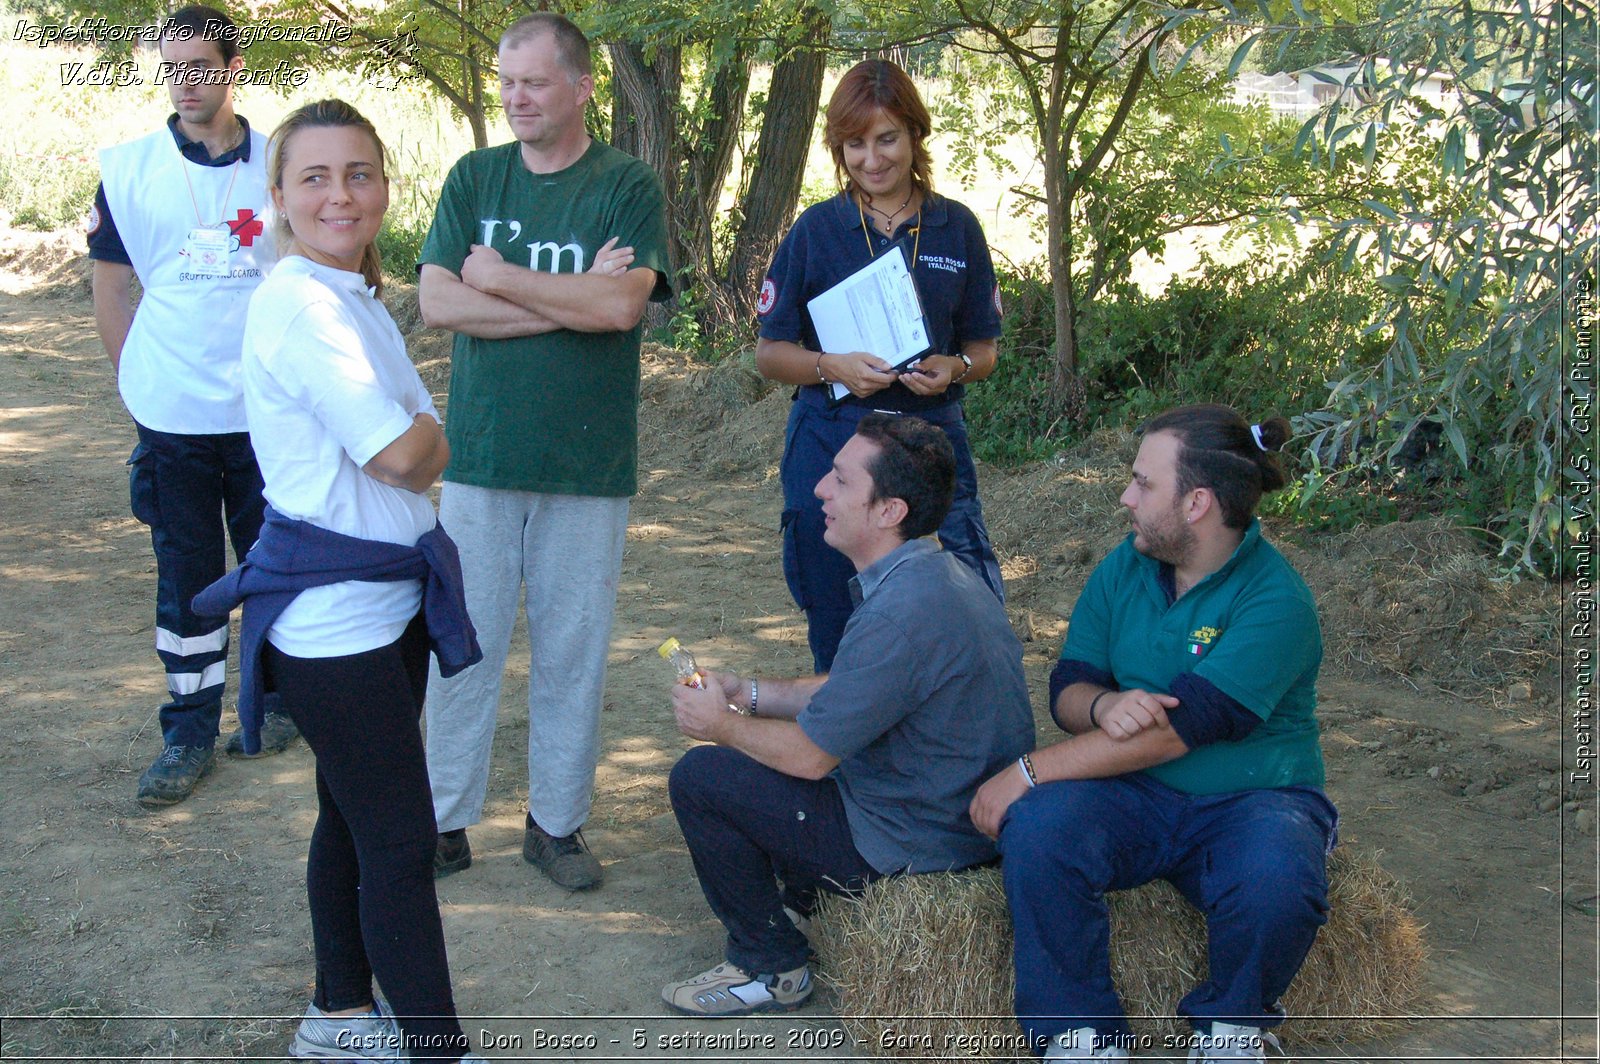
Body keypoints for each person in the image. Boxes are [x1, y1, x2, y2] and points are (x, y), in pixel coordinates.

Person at [193, 99, 484, 1064]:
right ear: (277, 196)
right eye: (313, 177)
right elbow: (409, 453)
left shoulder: (345, 295)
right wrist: (432, 436)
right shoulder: (303, 306)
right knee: (401, 843)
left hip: (384, 603)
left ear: (386, 187)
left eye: (358, 173)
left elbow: (412, 443)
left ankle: (339, 1017)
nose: (339, 194)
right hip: (335, 624)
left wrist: (426, 436)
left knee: (352, 816)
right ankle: (437, 1049)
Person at [968, 405, 1338, 1063]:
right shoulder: (1125, 567)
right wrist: (1105, 704)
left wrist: (1027, 771)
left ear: (1196, 503)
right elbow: (1069, 689)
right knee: (1041, 832)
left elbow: (1175, 734)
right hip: (1132, 792)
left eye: (1143, 483)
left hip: (1254, 801)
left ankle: (1231, 1029)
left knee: (1279, 872)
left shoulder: (1276, 602)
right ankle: (1079, 1033)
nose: (1125, 497)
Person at [661, 414, 1035, 1018]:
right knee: (768, 766)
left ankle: (770, 964)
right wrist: (749, 693)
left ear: (889, 511)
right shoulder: (940, 572)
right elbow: (856, 688)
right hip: (953, 817)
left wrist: (720, 725)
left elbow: (810, 757)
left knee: (704, 779)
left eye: (839, 480)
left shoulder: (899, 610)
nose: (819, 491)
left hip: (916, 843)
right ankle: (806, 902)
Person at [417, 11, 671, 892]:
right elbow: (439, 305)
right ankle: (444, 821)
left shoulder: (625, 185)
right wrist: (570, 297)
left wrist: (497, 278)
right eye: (506, 82)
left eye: (532, 81)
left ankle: (555, 825)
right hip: (481, 460)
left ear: (581, 86)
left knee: (574, 650)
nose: (516, 98)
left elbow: (620, 311)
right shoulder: (476, 177)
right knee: (462, 646)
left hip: (587, 466)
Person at [89, 4, 299, 808]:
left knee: (272, 558)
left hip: (265, 411)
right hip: (171, 413)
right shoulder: (130, 167)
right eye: (173, 68)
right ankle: (187, 730)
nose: (186, 83)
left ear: (233, 67)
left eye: (201, 67)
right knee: (186, 574)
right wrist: (137, 385)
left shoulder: (280, 163)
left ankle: (277, 703)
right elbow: (111, 290)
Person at [755, 57, 1005, 673]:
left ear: (915, 135)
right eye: (855, 143)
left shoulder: (957, 228)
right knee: (835, 605)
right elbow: (770, 352)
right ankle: (845, 751)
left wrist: (956, 367)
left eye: (887, 138)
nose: (873, 159)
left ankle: (960, 749)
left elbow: (985, 349)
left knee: (964, 597)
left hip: (929, 441)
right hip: (833, 439)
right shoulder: (817, 230)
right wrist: (830, 365)